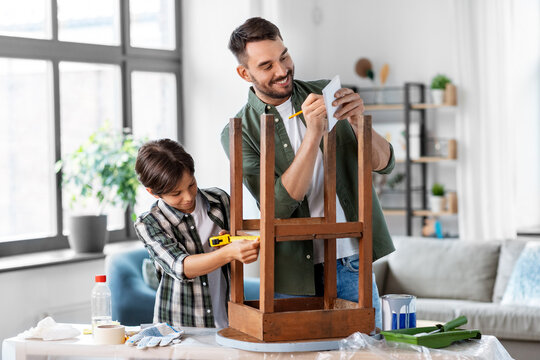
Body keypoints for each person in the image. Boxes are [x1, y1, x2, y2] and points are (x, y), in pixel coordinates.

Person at [220, 17, 395, 330]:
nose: (282, 70)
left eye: (284, 56)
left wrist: (359, 122)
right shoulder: (240, 130)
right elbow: (277, 207)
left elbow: (385, 163)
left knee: (368, 351)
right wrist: (314, 134)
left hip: (351, 257)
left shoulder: (327, 93)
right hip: (290, 272)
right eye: (266, 65)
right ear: (244, 73)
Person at [134, 139, 260, 328]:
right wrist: (228, 253)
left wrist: (238, 245)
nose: (188, 197)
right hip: (179, 328)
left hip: (227, 321)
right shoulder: (149, 223)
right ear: (153, 193)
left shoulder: (220, 200)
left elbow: (237, 244)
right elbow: (181, 267)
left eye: (191, 184)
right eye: (176, 193)